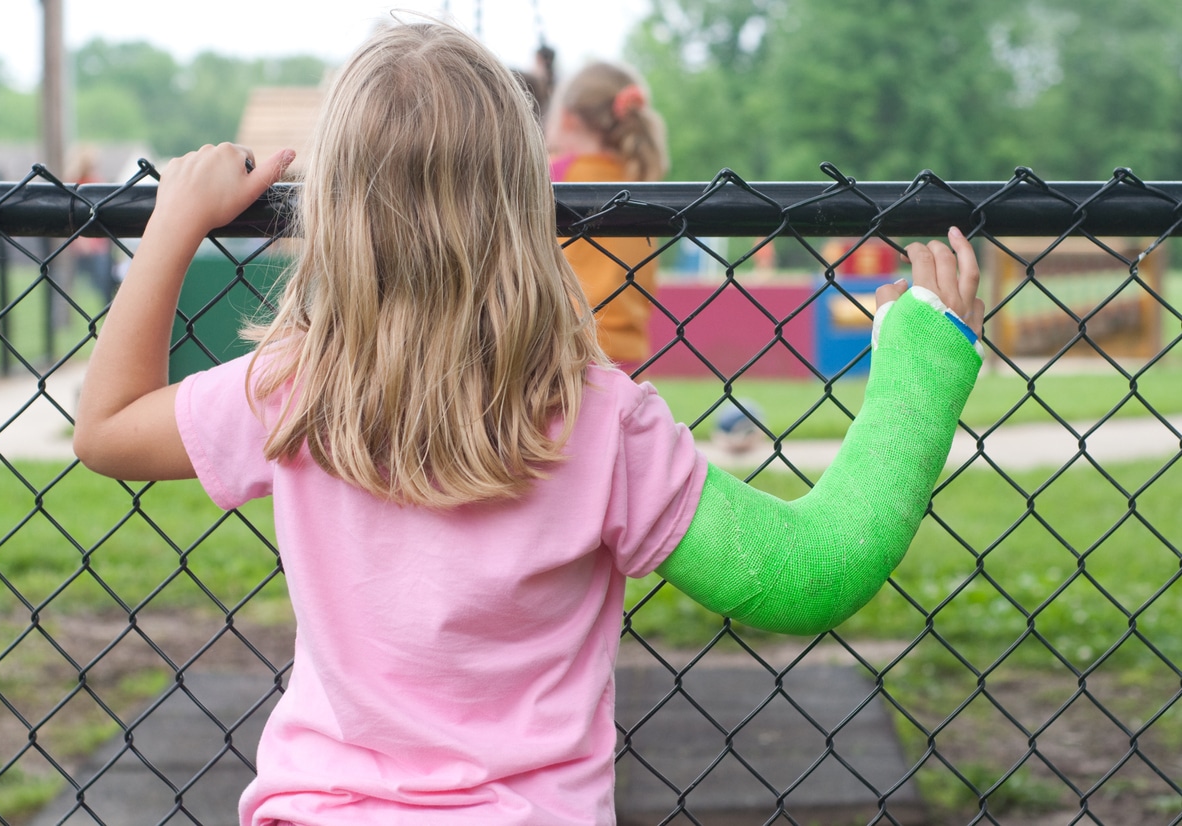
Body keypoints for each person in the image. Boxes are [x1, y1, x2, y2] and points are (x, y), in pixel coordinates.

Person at [72, 20, 984, 826]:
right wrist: (924, 360)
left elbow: (106, 427)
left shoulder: (293, 389)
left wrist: (173, 224)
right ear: (528, 202)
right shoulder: (598, 422)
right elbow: (807, 572)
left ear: (332, 209)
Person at [546, 61, 668, 371]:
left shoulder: (555, 175)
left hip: (564, 348)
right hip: (628, 357)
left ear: (569, 120)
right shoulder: (640, 180)